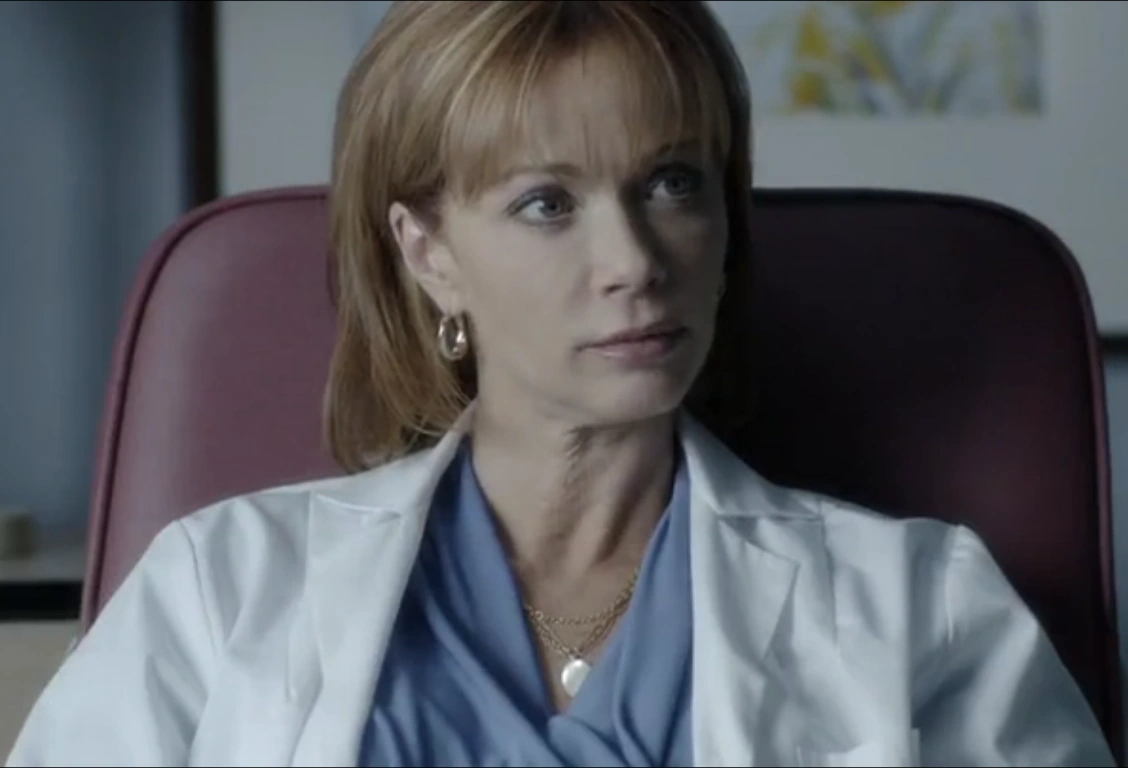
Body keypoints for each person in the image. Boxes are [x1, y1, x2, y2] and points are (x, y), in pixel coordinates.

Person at [6, 1, 1116, 766]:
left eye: (672, 184)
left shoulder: (921, 606)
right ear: (429, 250)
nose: (634, 260)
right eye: (546, 203)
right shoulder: (219, 588)